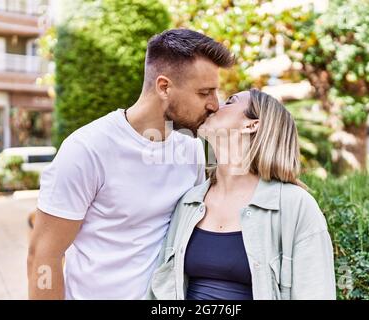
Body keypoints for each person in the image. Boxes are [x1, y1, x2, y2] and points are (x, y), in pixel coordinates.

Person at [27, 29, 234, 299]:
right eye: (204, 93)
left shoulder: (190, 148)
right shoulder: (87, 150)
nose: (214, 105)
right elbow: (42, 257)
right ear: (164, 87)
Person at [147, 89, 336, 300]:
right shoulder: (189, 202)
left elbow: (316, 292)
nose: (214, 105)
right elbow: (161, 290)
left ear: (252, 124)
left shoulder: (296, 206)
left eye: (230, 101)